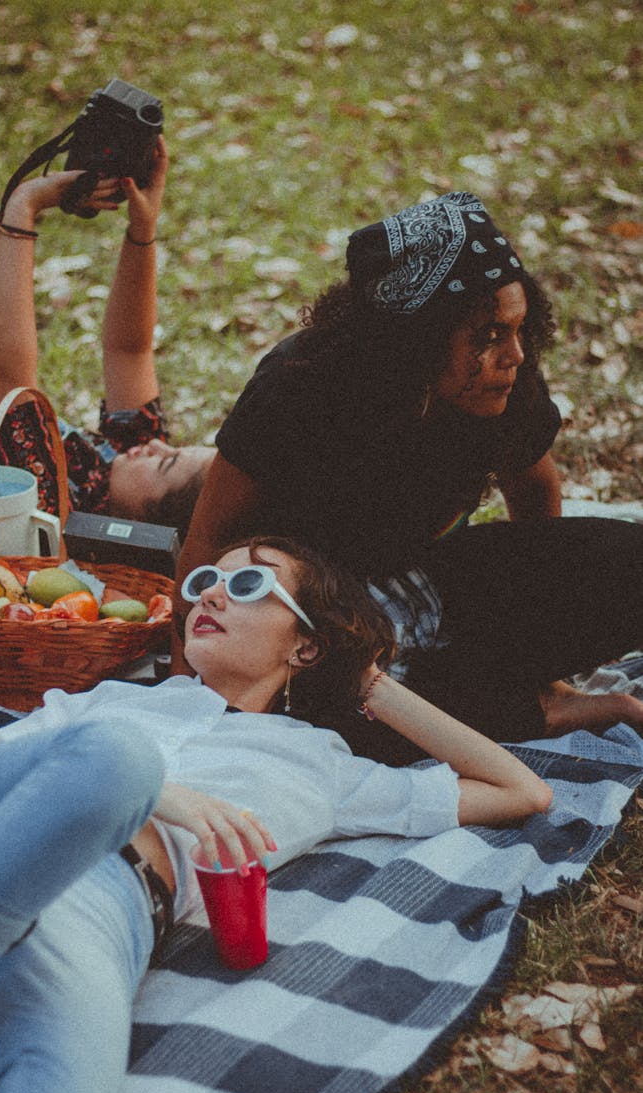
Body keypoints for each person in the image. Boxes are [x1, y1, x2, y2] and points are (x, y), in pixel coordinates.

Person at [0, 535, 552, 1093]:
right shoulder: (114, 701)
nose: (210, 590)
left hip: (92, 912)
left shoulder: (323, 765)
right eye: (207, 577)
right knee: (117, 759)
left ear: (306, 643)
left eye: (247, 583)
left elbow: (520, 789)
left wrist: (368, 680)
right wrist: (156, 794)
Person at [174, 191, 643, 748]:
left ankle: (524, 696)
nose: (514, 355)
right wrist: (185, 701)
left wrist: (538, 619)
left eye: (519, 329)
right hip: (313, 619)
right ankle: (549, 711)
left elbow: (536, 493)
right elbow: (206, 542)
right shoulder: (296, 389)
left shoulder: (504, 378)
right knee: (343, 720)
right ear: (414, 343)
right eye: (490, 336)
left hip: (427, 585)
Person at [0, 136, 215, 573]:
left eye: (166, 462)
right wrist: (144, 227)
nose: (155, 443)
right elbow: (129, 350)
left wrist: (23, 209)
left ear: (149, 531)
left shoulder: (50, 503)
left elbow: (8, 374)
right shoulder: (119, 472)